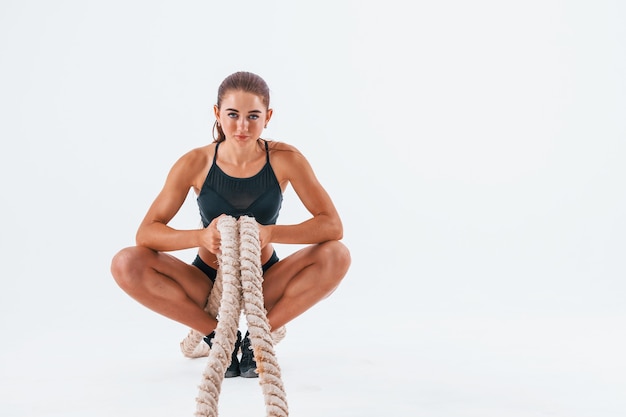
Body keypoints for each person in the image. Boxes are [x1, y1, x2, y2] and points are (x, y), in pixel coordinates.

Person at [110, 71, 351, 378]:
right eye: (233, 114)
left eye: (253, 116)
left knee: (337, 255)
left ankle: (257, 340)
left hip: (265, 281)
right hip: (207, 282)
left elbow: (332, 226)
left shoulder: (286, 158)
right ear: (217, 114)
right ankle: (219, 335)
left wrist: (269, 233)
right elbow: (146, 233)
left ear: (268, 117)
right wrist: (202, 236)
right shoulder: (195, 163)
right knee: (125, 263)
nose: (242, 126)